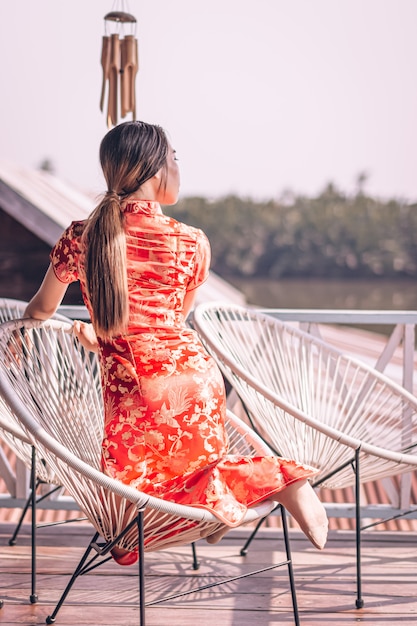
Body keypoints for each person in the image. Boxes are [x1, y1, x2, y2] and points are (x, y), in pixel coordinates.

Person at [23, 120, 328, 565]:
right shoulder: (191, 243)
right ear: (153, 171)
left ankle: (269, 487)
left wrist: (93, 341)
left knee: (128, 528)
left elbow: (41, 311)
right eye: (175, 159)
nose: (179, 169)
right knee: (187, 479)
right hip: (198, 382)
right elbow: (167, 325)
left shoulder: (81, 237)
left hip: (138, 397)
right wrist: (102, 341)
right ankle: (242, 497)